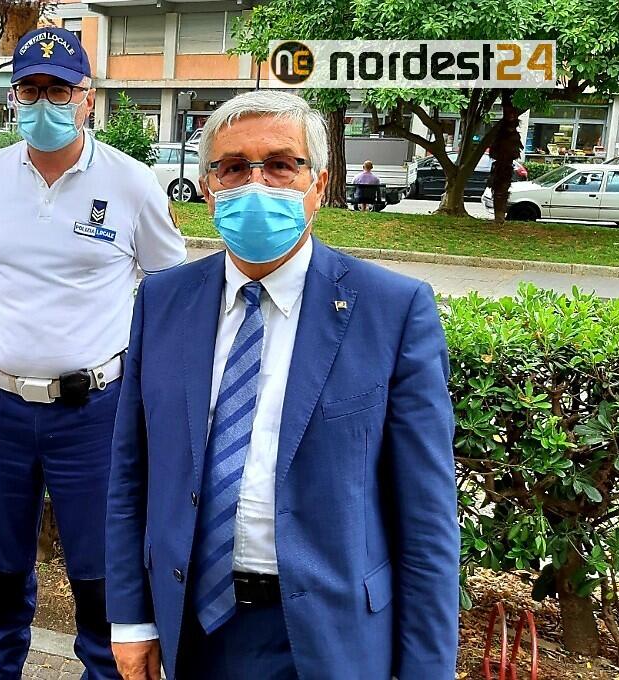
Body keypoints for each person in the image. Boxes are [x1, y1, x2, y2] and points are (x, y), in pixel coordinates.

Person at [105, 91, 458, 680]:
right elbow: (131, 471)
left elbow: (426, 518)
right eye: (233, 167)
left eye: (280, 164)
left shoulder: (392, 311)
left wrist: (426, 669)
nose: (255, 182)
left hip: (330, 639)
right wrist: (132, 619)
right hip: (194, 628)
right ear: (208, 186)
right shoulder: (162, 302)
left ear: (317, 185)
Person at [0, 26, 187, 680]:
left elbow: (171, 290)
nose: (43, 103)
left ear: (89, 97)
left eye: (60, 90)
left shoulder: (133, 185)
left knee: (102, 573)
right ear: (13, 97)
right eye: (30, 89)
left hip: (94, 415)